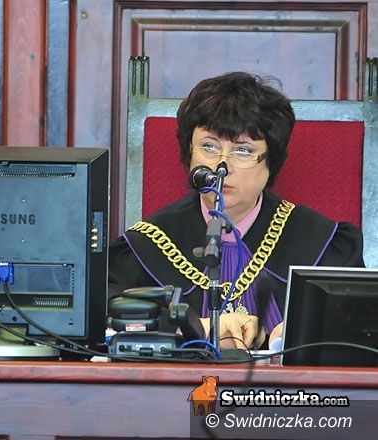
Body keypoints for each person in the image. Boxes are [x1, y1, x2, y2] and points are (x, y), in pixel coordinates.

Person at [109, 72, 364, 350]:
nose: (222, 167)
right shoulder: (148, 242)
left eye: (243, 150)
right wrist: (196, 328)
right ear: (189, 152)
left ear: (271, 162)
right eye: (209, 146)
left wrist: (302, 332)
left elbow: (359, 327)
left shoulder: (321, 242)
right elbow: (103, 315)